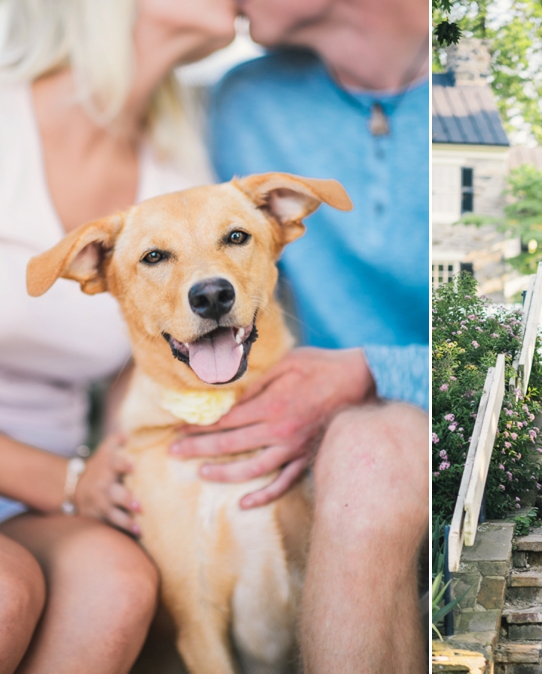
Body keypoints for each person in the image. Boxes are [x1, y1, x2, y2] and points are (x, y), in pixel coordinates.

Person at [168, 1, 430, 672]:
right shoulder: (247, 100)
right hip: (300, 405)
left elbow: (525, 340)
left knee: (371, 456)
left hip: (432, 409)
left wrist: (374, 369)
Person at [0, 1, 238, 670]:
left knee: (118, 586)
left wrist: (116, 461)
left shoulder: (179, 172)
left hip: (33, 487)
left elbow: (149, 349)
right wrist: (67, 482)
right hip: (45, 479)